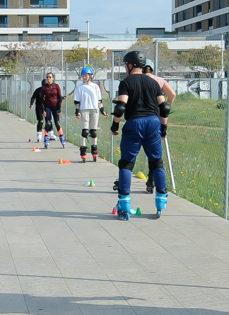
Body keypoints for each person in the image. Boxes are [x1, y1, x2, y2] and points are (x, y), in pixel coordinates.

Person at [110, 51, 170, 220]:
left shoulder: (126, 82)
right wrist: (163, 129)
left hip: (134, 123)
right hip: (153, 123)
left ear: (130, 65)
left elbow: (121, 107)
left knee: (127, 163)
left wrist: (115, 125)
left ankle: (124, 202)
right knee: (156, 161)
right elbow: (164, 107)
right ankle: (161, 199)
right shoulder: (153, 82)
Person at [141, 58, 177, 193]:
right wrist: (166, 106)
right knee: (154, 150)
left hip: (139, 114)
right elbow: (172, 94)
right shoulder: (159, 80)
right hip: (155, 115)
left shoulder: (136, 79)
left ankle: (123, 179)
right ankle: (151, 179)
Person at [73, 66, 108, 162]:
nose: (84, 77)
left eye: (86, 75)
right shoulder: (80, 87)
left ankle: (94, 150)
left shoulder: (95, 87)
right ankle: (83, 150)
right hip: (84, 110)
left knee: (93, 132)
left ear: (90, 76)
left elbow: (99, 100)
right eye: (83, 76)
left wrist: (103, 110)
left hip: (95, 110)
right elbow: (77, 101)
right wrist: (77, 111)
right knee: (85, 131)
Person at [40, 72, 65, 148]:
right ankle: (46, 139)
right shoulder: (44, 87)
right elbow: (42, 100)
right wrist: (43, 110)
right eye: (47, 77)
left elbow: (60, 97)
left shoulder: (56, 86)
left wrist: (59, 108)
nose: (48, 79)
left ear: (53, 78)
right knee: (48, 123)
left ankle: (62, 138)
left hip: (55, 107)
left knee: (57, 123)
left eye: (50, 77)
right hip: (47, 106)